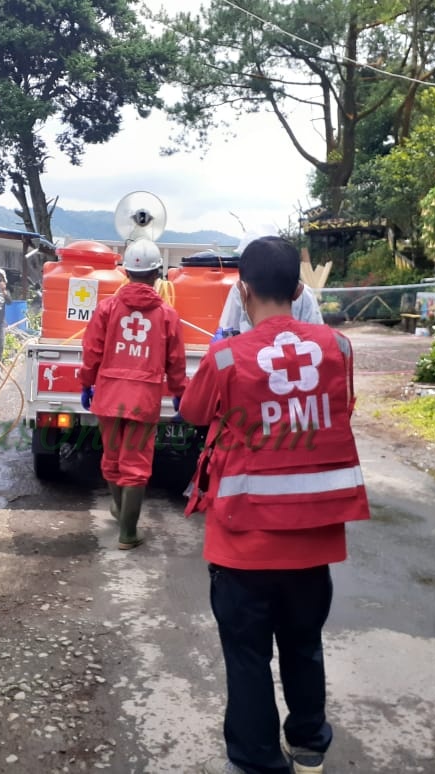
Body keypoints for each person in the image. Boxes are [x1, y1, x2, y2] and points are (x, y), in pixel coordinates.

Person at [181, 236, 370, 774]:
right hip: (314, 540)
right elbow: (339, 411)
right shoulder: (339, 348)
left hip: (243, 545)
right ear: (297, 289)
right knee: (304, 644)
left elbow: (194, 414)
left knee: (247, 659)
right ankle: (309, 745)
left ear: (241, 292)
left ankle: (261, 761)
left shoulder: (223, 357)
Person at [78, 238, 187, 549]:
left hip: (109, 396)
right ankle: (128, 532)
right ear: (158, 274)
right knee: (135, 464)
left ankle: (118, 508)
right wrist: (180, 392)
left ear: (125, 271)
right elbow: (176, 361)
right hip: (144, 399)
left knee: (112, 458)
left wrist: (86, 384)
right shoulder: (168, 314)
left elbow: (92, 352)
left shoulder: (106, 308)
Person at [215, 236, 323, 339]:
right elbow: (317, 335)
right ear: (298, 290)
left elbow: (227, 331)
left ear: (244, 292)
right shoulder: (335, 343)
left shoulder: (240, 289)